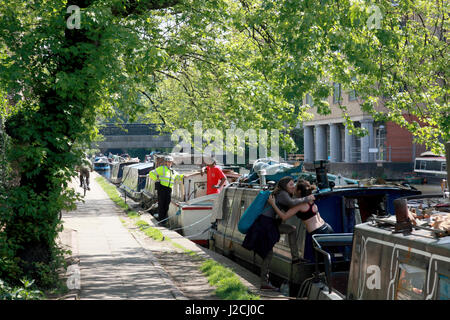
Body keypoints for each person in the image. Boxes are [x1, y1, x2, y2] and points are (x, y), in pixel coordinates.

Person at [242, 176, 314, 291]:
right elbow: (291, 203)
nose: (293, 186)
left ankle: (295, 258)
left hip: (270, 224)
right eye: (291, 184)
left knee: (291, 229)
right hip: (265, 225)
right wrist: (307, 198)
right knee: (268, 253)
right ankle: (264, 282)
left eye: (294, 184)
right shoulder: (282, 194)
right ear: (285, 186)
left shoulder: (283, 194)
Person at [267, 179, 334, 235]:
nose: (293, 189)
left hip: (318, 232)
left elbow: (284, 217)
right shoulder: (311, 200)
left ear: (299, 191)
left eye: (295, 188)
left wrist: (273, 204)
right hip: (327, 227)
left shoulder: (300, 205)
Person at [148, 155, 184, 225]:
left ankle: (164, 219)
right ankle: (161, 220)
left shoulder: (173, 171)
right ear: (165, 162)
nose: (169, 163)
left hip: (169, 189)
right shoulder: (162, 169)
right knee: (161, 204)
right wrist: (156, 179)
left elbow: (178, 176)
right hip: (162, 188)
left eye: (170, 162)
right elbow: (151, 173)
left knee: (167, 204)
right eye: (168, 162)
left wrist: (184, 176)